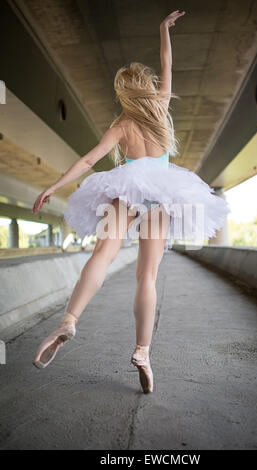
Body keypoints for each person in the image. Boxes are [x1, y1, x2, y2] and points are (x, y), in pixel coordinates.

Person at [32, 10, 230, 394]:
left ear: (123, 93)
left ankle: (70, 319)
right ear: (147, 85)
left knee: (102, 256)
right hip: (162, 193)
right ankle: (142, 351)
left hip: (126, 188)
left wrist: (54, 185)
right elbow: (167, 63)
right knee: (148, 275)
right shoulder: (160, 108)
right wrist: (162, 30)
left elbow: (89, 160)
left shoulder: (121, 125)